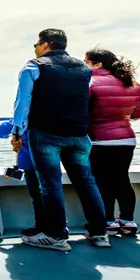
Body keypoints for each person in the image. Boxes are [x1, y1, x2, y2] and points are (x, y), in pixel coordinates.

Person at [10, 29, 109, 251]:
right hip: (78, 135)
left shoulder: (33, 66)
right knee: (86, 181)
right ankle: (99, 232)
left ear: (46, 44)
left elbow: (22, 103)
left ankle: (55, 236)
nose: (34, 48)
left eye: (36, 43)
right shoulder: (84, 69)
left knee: (50, 184)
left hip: (45, 135)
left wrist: (17, 132)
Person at [85, 48, 140, 235]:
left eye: (86, 62)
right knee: (122, 179)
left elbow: (83, 111)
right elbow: (138, 112)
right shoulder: (132, 83)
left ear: (98, 64)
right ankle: (128, 221)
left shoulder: (90, 82)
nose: (84, 66)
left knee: (102, 181)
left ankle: (108, 221)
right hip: (127, 139)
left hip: (99, 140)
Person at [0, 121, 43, 235]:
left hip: (30, 164)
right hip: (50, 161)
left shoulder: (21, 120)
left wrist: (14, 121)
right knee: (51, 194)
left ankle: (40, 226)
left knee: (37, 196)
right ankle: (58, 225)